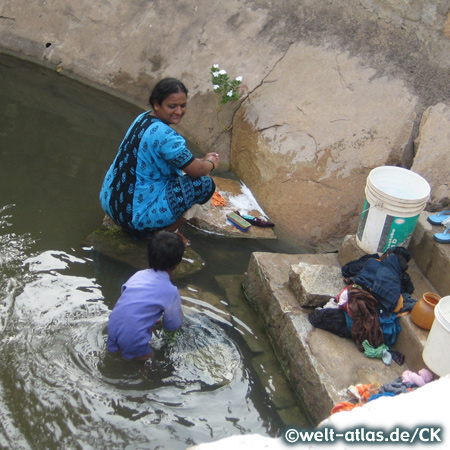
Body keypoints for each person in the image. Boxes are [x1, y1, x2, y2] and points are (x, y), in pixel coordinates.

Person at [99, 78, 220, 245]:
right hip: (134, 219)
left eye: (183, 106)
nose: (179, 111)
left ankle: (161, 224)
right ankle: (165, 232)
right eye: (172, 106)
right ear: (157, 104)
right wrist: (211, 162)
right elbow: (197, 171)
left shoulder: (142, 118)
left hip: (111, 203)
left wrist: (197, 163)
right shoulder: (165, 135)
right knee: (204, 184)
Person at [106, 230, 185, 361]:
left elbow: (130, 304)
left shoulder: (138, 275)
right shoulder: (171, 291)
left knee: (114, 357)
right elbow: (172, 325)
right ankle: (144, 377)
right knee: (148, 363)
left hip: (113, 327)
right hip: (133, 336)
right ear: (176, 265)